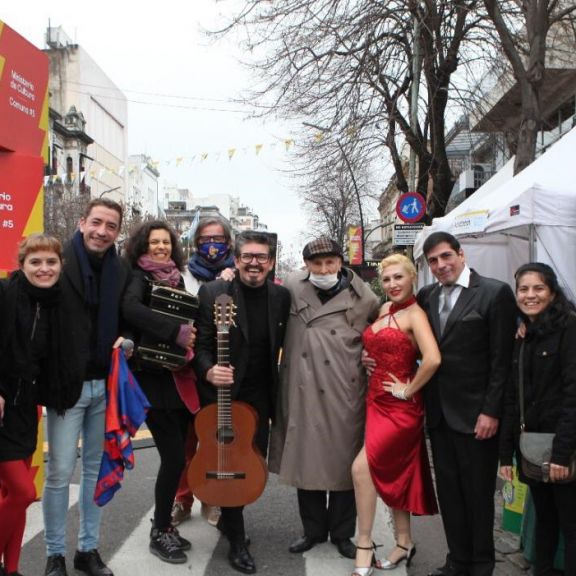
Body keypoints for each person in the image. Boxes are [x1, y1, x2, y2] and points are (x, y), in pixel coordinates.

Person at [269, 237, 380, 560]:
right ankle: (313, 530)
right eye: (316, 264)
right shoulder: (290, 285)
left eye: (330, 263)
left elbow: (384, 331)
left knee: (345, 462)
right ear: (306, 265)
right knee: (306, 458)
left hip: (344, 388)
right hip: (301, 385)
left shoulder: (365, 296)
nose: (323, 269)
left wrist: (374, 357)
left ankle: (343, 533)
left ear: (340, 262)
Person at [417, 232, 516, 576]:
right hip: (440, 416)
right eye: (433, 261)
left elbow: (502, 360)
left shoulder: (494, 292)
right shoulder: (426, 296)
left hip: (477, 416)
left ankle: (481, 564)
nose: (441, 265)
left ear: (461, 254)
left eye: (446, 256)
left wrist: (491, 411)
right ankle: (457, 561)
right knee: (450, 495)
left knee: (477, 496)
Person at [194, 230, 290, 574]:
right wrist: (208, 371)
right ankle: (236, 538)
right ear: (236, 260)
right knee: (229, 460)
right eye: (247, 256)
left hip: (262, 394)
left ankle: (229, 520)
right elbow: (200, 345)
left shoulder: (281, 297)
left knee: (252, 463)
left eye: (261, 257)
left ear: (271, 262)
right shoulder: (213, 292)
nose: (254, 263)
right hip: (224, 394)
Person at [43, 198, 131, 576]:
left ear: (117, 232)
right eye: (96, 222)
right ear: (82, 222)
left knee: (96, 471)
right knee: (60, 473)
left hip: (105, 388)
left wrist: (127, 338)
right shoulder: (56, 261)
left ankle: (87, 550)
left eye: (111, 226)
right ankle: (54, 555)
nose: (102, 231)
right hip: (66, 386)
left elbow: (130, 314)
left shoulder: (121, 269)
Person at [351, 254, 440, 575]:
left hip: (401, 408)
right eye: (387, 279)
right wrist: (366, 357)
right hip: (375, 401)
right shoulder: (384, 309)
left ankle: (363, 543)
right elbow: (376, 344)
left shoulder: (416, 314)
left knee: (362, 469)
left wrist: (408, 389)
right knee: (396, 472)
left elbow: (432, 359)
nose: (392, 284)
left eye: (398, 278)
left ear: (412, 277)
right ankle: (404, 542)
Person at [0, 235, 81, 576]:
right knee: (22, 491)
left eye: (51, 262)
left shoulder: (59, 303)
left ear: (61, 266)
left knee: (12, 494)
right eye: (35, 262)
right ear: (22, 265)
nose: (44, 268)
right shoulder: (5, 295)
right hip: (2, 404)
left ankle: (13, 568)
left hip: (26, 407)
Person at [122, 220, 198, 564]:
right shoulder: (137, 276)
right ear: (143, 245)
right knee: (173, 458)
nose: (160, 248)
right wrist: (175, 333)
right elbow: (130, 310)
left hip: (178, 377)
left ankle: (165, 525)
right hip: (151, 377)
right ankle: (159, 529)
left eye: (166, 242)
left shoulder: (177, 278)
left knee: (178, 455)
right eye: (154, 242)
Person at [500, 263, 576, 576]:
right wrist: (506, 454)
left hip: (563, 450)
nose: (530, 295)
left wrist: (562, 453)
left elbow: (574, 394)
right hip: (532, 449)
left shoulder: (569, 328)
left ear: (552, 292)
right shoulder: (523, 334)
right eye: (523, 289)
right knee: (544, 519)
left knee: (571, 526)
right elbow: (512, 397)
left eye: (538, 288)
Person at [171, 216, 235, 528]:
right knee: (185, 441)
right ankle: (182, 498)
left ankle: (211, 499)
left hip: (215, 366)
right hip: (184, 366)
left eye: (219, 239)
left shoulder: (237, 273)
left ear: (228, 242)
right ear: (196, 243)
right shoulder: (183, 274)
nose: (213, 245)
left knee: (212, 438)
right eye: (206, 239)